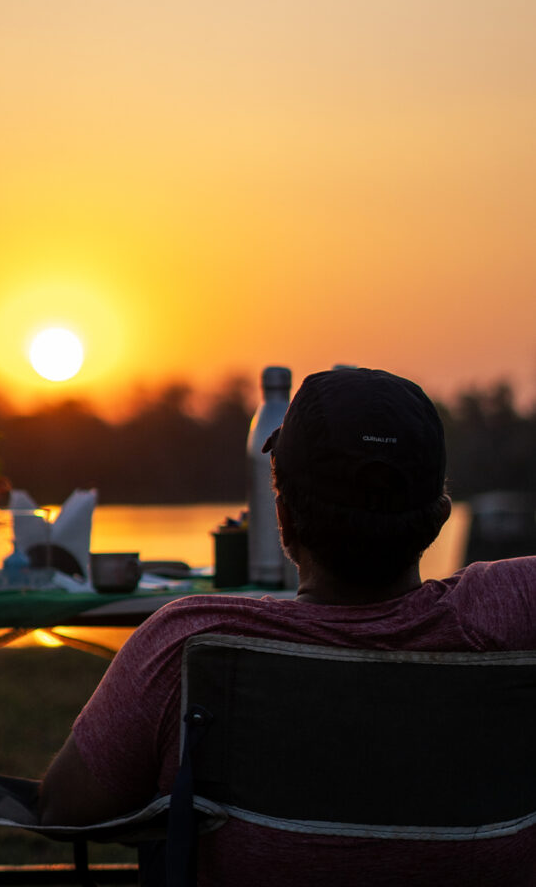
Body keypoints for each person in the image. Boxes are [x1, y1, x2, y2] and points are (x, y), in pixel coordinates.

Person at [38, 367, 536, 885]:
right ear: (440, 518)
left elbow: (65, 807)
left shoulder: (189, 643)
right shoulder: (519, 606)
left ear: (283, 517)